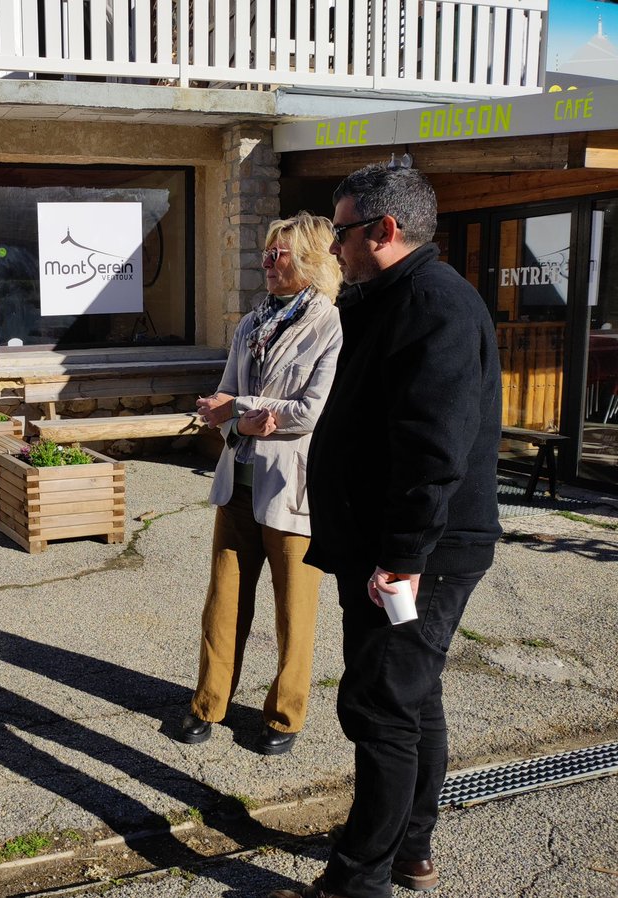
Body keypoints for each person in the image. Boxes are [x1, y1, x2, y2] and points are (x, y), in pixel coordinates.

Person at [269, 163, 502, 898]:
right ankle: (410, 848)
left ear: (384, 230)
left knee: (379, 707)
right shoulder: (390, 299)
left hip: (416, 553)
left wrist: (402, 559)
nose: (332, 247)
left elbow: (434, 449)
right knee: (412, 698)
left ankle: (358, 879)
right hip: (390, 544)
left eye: (340, 231)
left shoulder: (434, 306)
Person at [176, 212, 343, 756]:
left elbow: (309, 411)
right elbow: (222, 396)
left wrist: (241, 409)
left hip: (293, 493)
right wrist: (229, 418)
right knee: (223, 602)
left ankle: (285, 715)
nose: (269, 263)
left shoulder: (328, 325)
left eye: (282, 254)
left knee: (294, 610)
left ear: (312, 261)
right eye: (267, 254)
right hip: (238, 485)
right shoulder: (252, 323)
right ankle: (208, 704)